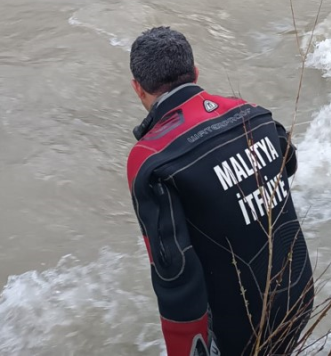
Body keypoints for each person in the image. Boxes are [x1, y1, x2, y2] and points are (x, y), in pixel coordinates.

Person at [126, 26, 315, 356]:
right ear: (196, 73)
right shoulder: (254, 114)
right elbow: (289, 162)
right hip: (300, 295)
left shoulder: (152, 160)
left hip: (242, 330)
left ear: (138, 89)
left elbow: (176, 272)